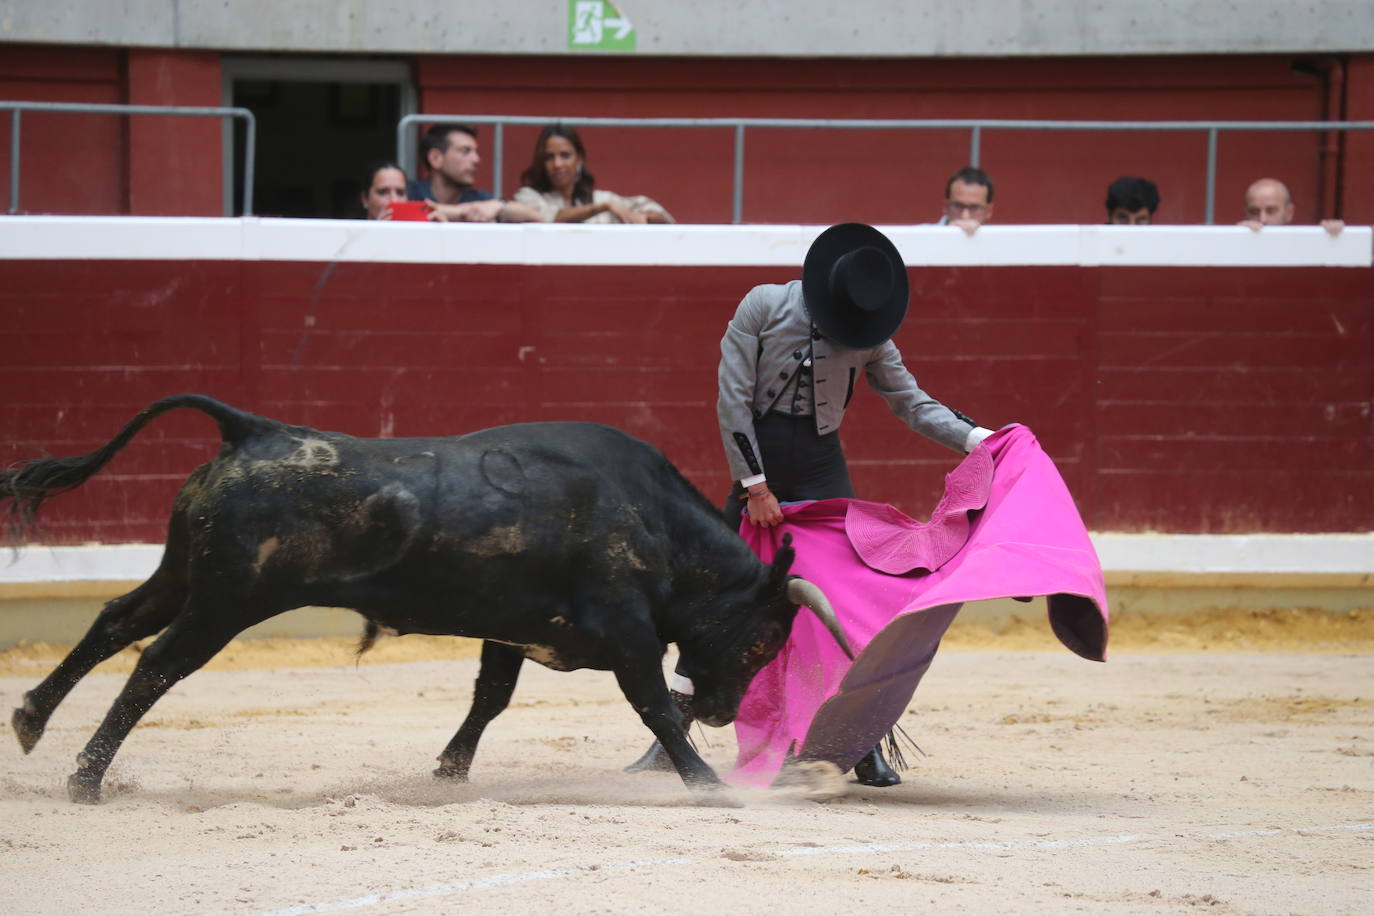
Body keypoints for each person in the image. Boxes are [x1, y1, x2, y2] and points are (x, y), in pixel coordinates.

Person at [626, 222, 995, 788]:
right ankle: (671, 732)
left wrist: (980, 441)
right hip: (760, 465)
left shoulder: (871, 333)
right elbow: (733, 401)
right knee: (718, 605)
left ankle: (858, 741)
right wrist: (755, 486)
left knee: (840, 601)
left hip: (822, 469)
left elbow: (912, 403)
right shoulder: (762, 307)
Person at [513, 123, 674, 224]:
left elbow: (663, 216)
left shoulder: (601, 199)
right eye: (549, 157)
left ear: (579, 159)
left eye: (565, 155)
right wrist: (603, 207)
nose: (557, 164)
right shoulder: (527, 197)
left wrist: (646, 218)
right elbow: (548, 217)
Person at [407, 123, 537, 223]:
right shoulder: (408, 193)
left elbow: (534, 215)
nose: (476, 160)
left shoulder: (477, 199)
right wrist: (463, 212)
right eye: (465, 151)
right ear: (435, 158)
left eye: (475, 152)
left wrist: (498, 206)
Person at [1239, 177, 1344, 235]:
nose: (1263, 219)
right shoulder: (1237, 239)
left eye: (1271, 211)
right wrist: (1239, 237)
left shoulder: (1306, 244)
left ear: (1289, 213)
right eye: (1254, 212)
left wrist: (1332, 235)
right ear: (1246, 214)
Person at [939, 166, 994, 235]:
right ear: (946, 206)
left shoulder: (1001, 243)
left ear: (988, 211)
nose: (965, 216)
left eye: (974, 207)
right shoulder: (922, 237)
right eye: (958, 206)